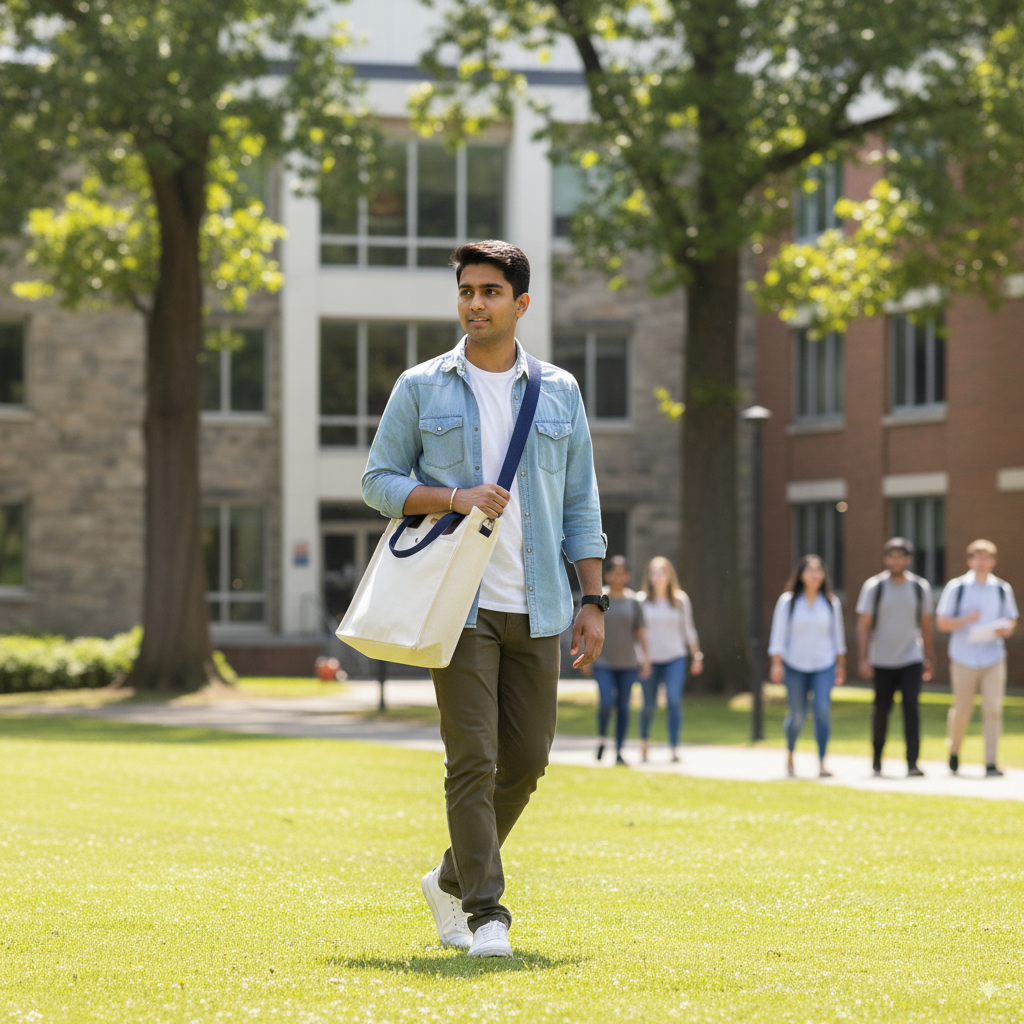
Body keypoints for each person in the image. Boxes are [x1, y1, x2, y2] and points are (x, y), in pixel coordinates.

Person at [361, 240, 607, 958]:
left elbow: (581, 502)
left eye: (490, 292)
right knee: (471, 757)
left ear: (521, 303)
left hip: (538, 603)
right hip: (457, 606)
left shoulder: (558, 390)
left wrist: (595, 599)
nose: (475, 303)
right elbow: (379, 482)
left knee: (525, 762)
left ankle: (447, 875)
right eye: (467, 290)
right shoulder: (421, 386)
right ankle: (486, 914)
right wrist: (452, 496)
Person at [936, 539, 1019, 777]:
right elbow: (942, 622)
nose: (982, 563)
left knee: (993, 709)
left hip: (993, 656)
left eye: (987, 558)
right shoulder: (957, 587)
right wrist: (966, 620)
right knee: (962, 708)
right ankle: (954, 750)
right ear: (969, 560)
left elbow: (1011, 620)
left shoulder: (1002, 589)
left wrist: (1006, 629)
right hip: (964, 656)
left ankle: (991, 762)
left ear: (993, 561)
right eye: (978, 557)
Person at [855, 537, 935, 778]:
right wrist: (863, 658)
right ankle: (877, 761)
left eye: (901, 556)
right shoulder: (874, 587)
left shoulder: (919, 587)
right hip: (881, 660)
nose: (896, 560)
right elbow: (864, 625)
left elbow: (926, 624)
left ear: (908, 560)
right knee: (881, 711)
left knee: (912, 709)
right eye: (892, 556)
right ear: (885, 559)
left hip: (912, 657)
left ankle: (912, 763)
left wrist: (930, 657)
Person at [768, 554, 847, 778]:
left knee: (822, 709)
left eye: (819, 571)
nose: (815, 575)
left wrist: (840, 665)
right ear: (801, 575)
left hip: (824, 664)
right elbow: (778, 634)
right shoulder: (789, 602)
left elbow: (838, 637)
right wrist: (777, 663)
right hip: (794, 665)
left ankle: (822, 762)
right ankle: (791, 753)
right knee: (797, 714)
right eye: (810, 571)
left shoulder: (831, 603)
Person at [637, 556, 703, 763]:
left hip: (675, 656)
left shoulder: (680, 600)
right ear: (649, 576)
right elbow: (636, 634)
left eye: (662, 572)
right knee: (648, 705)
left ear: (669, 575)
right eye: (654, 573)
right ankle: (645, 742)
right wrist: (642, 659)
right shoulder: (640, 600)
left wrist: (696, 655)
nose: (657, 577)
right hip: (649, 660)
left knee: (674, 700)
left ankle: (674, 747)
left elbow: (688, 629)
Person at [589, 556, 650, 766]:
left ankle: (619, 751)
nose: (618, 576)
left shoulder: (634, 601)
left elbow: (641, 632)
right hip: (603, 660)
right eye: (613, 572)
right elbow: (589, 626)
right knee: (606, 702)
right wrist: (586, 658)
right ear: (607, 575)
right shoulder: (600, 598)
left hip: (628, 663)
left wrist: (646, 659)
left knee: (623, 707)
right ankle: (601, 738)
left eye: (622, 572)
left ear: (628, 576)